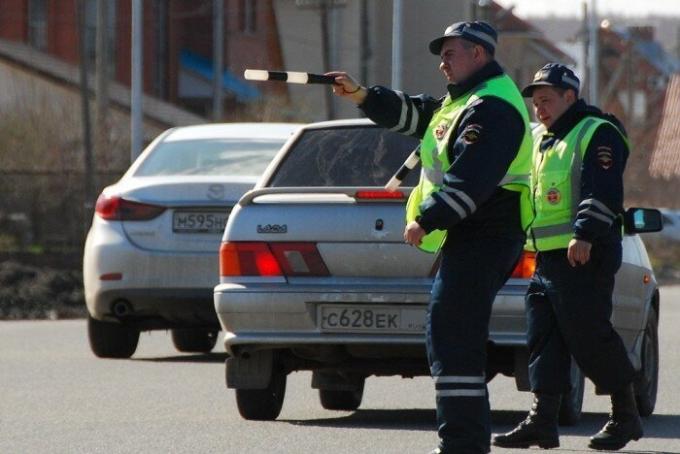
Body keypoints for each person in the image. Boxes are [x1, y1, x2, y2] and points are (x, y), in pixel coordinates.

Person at [329, 21, 533, 454]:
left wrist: (428, 218)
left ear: (479, 54)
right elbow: (417, 114)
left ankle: (462, 444)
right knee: (450, 334)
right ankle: (462, 441)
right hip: (473, 235)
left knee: (453, 335)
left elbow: (471, 179)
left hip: (486, 233)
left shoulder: (492, 107)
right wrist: (363, 95)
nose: (442, 63)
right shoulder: (462, 103)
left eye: (450, 54)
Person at [492, 63, 643, 451]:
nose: (538, 108)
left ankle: (625, 415)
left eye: (546, 100)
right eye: (535, 102)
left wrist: (584, 234)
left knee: (587, 335)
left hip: (583, 254)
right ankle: (543, 421)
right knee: (543, 339)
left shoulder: (596, 132)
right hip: (546, 258)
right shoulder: (543, 138)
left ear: (570, 97)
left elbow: (603, 190)